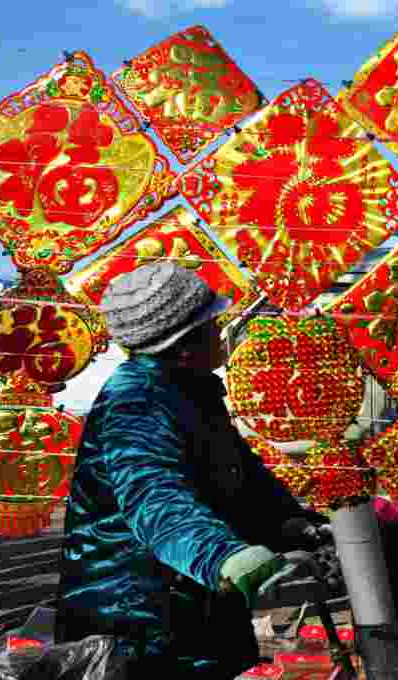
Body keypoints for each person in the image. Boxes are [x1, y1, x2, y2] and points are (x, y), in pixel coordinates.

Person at [55, 261, 327, 678]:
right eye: (213, 324)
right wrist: (222, 554)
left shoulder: (193, 390)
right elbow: (155, 495)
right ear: (184, 341)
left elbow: (241, 476)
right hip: (135, 619)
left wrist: (287, 521)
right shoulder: (137, 400)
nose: (221, 331)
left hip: (193, 603)